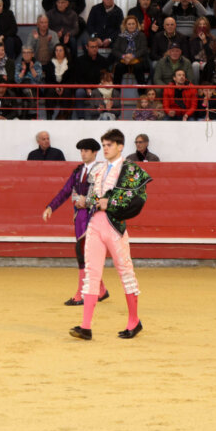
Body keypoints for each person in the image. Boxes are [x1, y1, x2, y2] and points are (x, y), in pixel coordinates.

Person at [70, 129, 152, 341]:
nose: (105, 149)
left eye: (109, 145)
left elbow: (138, 200)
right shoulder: (98, 169)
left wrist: (110, 203)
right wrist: (86, 201)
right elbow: (95, 198)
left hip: (115, 225)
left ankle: (134, 321)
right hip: (95, 225)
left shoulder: (131, 169)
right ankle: (85, 326)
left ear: (120, 146)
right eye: (104, 145)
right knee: (92, 273)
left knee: (125, 272)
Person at [45, 138, 111, 305]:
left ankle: (81, 294)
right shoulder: (78, 171)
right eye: (81, 151)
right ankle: (101, 290)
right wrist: (51, 207)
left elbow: (106, 193)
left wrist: (87, 201)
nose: (83, 154)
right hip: (80, 217)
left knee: (84, 253)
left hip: (94, 216)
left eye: (86, 151)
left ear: (95, 152)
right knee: (87, 254)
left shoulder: (102, 171)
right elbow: (66, 191)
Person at [111, 15, 150, 86]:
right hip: (124, 60)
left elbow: (143, 49)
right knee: (119, 67)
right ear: (125, 25)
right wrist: (124, 56)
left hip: (138, 60)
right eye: (129, 24)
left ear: (136, 25)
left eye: (133, 24)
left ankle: (142, 91)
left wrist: (133, 56)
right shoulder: (120, 36)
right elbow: (115, 50)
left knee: (138, 67)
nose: (131, 26)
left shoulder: (141, 35)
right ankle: (116, 91)